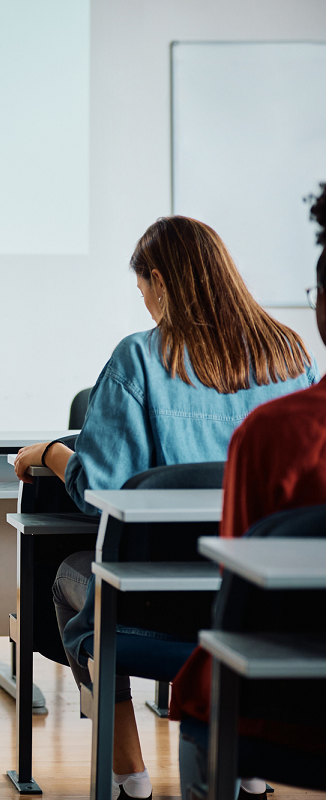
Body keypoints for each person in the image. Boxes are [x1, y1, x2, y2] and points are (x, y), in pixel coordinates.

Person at [13, 216, 317, 800]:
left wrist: (51, 453)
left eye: (144, 291)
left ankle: (131, 779)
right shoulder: (290, 354)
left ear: (159, 280)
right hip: (267, 603)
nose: (147, 306)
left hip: (158, 607)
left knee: (70, 577)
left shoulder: (140, 358)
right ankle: (247, 767)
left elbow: (101, 489)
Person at [170, 184, 326, 800]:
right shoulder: (285, 357)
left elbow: (240, 600)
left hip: (293, 712)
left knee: (200, 703)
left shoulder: (274, 436)